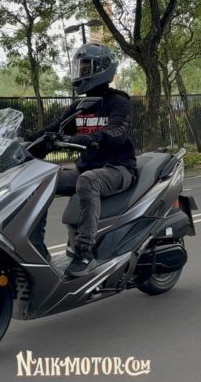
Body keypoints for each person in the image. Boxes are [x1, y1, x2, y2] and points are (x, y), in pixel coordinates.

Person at [25, 43, 137, 277]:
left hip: (118, 169)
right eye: (79, 68)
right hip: (87, 167)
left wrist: (95, 137)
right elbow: (54, 130)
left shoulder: (118, 102)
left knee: (88, 181)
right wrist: (25, 142)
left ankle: (85, 253)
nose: (81, 73)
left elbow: (119, 132)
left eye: (86, 68)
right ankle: (35, 249)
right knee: (40, 179)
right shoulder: (80, 107)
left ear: (103, 69)